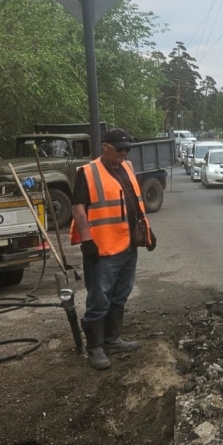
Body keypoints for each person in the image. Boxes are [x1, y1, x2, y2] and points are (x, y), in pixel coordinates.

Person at [70, 128, 156, 370]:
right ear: (105, 147)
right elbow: (78, 208)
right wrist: (87, 240)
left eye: (127, 148)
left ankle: (112, 339)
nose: (124, 153)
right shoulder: (88, 172)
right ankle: (95, 348)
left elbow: (134, 202)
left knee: (120, 293)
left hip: (128, 244)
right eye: (119, 149)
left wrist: (148, 231)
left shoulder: (127, 167)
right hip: (103, 247)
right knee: (99, 297)